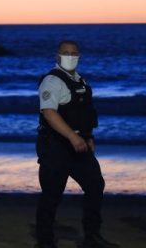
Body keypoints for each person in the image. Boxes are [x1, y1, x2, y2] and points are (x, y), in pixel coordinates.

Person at [35, 40, 118, 248]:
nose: (70, 56)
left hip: (80, 144)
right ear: (57, 56)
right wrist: (72, 136)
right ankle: (45, 242)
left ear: (79, 56)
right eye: (65, 53)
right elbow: (49, 113)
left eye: (74, 53)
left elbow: (83, 114)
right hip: (56, 145)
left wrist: (89, 137)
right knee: (52, 194)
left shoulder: (80, 81)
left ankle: (92, 237)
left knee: (95, 185)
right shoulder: (52, 81)